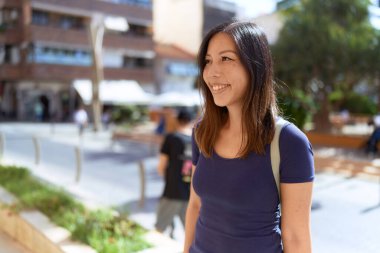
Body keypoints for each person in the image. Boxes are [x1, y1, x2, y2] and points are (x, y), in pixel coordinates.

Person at [184, 21, 314, 253]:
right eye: (208, 61)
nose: (212, 72)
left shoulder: (289, 143)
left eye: (226, 58)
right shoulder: (202, 132)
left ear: (255, 66)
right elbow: (195, 206)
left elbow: (296, 238)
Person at [155, 109, 193, 238]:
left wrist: (165, 175)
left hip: (172, 191)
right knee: (191, 233)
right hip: (191, 193)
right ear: (191, 121)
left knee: (159, 229)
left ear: (177, 121)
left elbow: (161, 165)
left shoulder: (171, 138)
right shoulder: (197, 140)